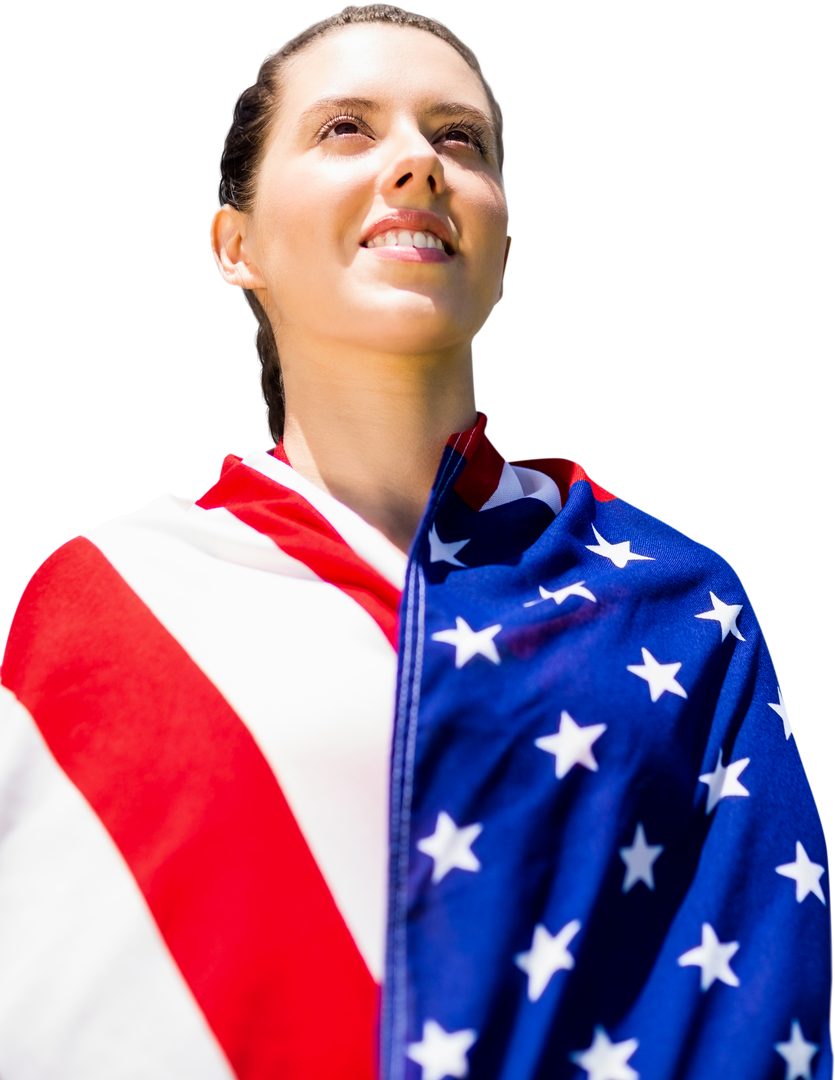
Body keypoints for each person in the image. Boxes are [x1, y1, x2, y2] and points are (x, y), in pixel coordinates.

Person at [0, 3, 830, 1078]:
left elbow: (765, 1010)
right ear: (233, 244)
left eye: (458, 139)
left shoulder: (675, 601)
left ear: (506, 253)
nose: (416, 164)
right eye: (346, 127)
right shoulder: (98, 595)